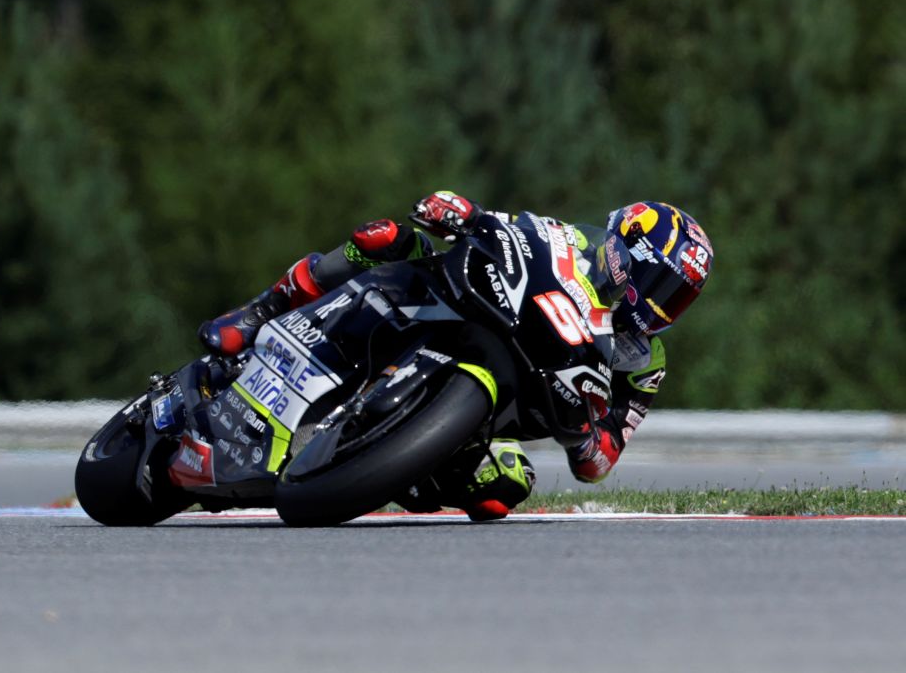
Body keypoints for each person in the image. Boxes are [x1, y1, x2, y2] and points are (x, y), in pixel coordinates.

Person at [198, 192, 714, 520]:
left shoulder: (645, 362)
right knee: (385, 237)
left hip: (500, 417)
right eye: (660, 284)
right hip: (466, 307)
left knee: (504, 488)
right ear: (627, 252)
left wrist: (585, 437)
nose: (660, 303)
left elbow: (603, 460)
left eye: (677, 297)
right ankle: (262, 310)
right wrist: (459, 213)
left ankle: (391, 462)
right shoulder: (569, 239)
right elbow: (501, 228)